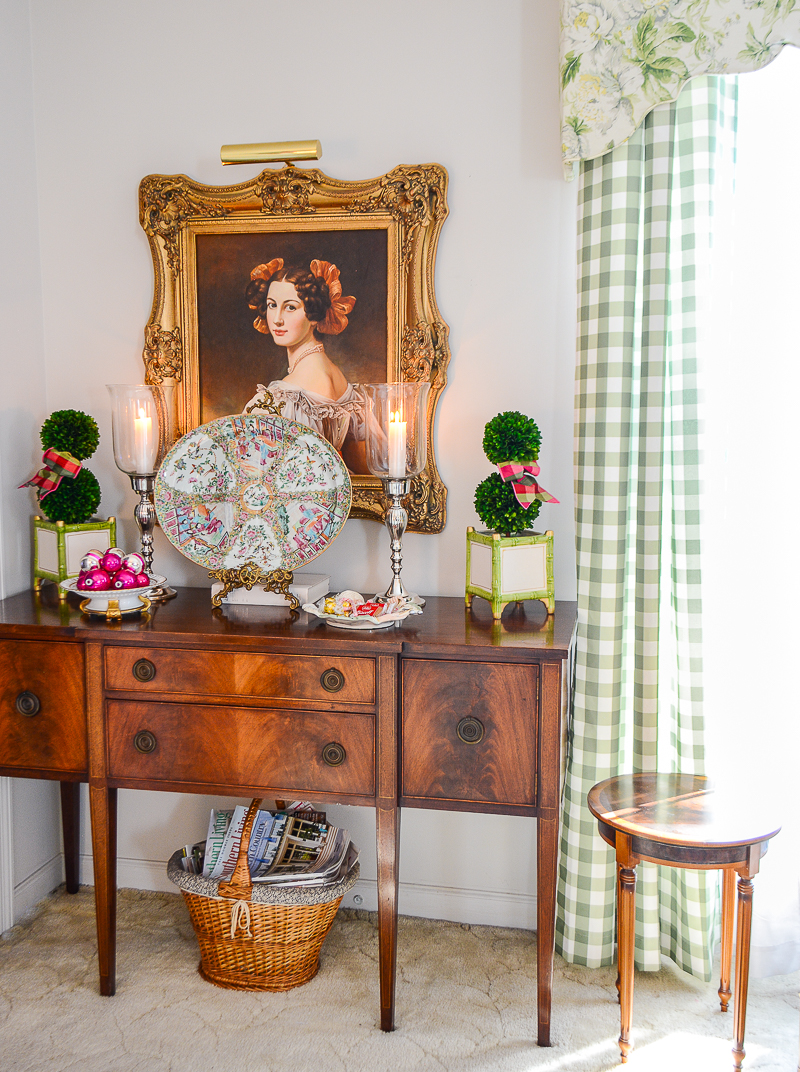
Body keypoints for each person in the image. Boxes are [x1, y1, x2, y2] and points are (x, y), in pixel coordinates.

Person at [242, 258, 369, 473]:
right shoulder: (336, 377)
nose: (277, 319)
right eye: (272, 305)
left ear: (313, 315)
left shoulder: (282, 397)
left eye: (290, 307)